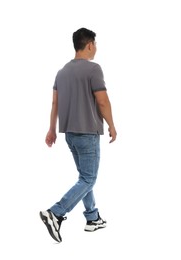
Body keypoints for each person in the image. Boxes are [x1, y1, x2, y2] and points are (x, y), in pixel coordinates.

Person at [40, 27, 117, 243]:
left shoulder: (61, 72)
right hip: (88, 133)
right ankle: (56, 212)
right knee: (88, 178)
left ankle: (92, 218)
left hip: (69, 135)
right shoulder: (93, 69)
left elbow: (55, 102)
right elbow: (102, 100)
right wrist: (112, 124)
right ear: (90, 44)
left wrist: (51, 129)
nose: (96, 49)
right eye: (95, 45)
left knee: (85, 178)